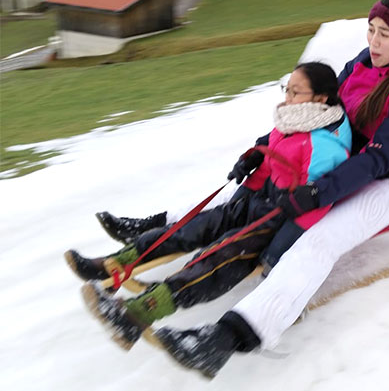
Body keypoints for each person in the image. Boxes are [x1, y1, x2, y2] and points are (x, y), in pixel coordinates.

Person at [151, 0, 389, 379]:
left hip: (388, 182)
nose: (373, 42)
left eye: (385, 35)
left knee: (318, 241)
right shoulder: (362, 62)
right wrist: (263, 148)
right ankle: (161, 232)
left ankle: (227, 338)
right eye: (371, 30)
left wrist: (321, 192)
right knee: (259, 186)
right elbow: (315, 114)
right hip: (341, 161)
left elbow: (378, 160)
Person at [69, 62, 353, 351]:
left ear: (320, 98)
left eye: (296, 92)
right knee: (191, 227)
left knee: (218, 257)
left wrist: (277, 250)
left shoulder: (326, 145)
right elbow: (272, 160)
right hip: (256, 201)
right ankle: (117, 263)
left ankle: (135, 315)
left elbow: (317, 203)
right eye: (286, 89)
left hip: (280, 219)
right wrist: (248, 173)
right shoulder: (294, 119)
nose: (287, 98)